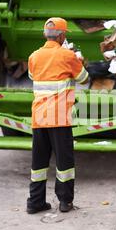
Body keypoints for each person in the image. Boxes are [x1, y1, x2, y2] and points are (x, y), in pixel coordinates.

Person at [26, 17, 89, 214]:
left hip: (39, 118)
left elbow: (32, 76)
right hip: (60, 118)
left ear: (45, 35)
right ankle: (65, 202)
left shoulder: (33, 56)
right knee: (64, 163)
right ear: (62, 35)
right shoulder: (68, 55)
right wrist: (79, 61)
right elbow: (85, 79)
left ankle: (35, 203)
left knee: (38, 163)